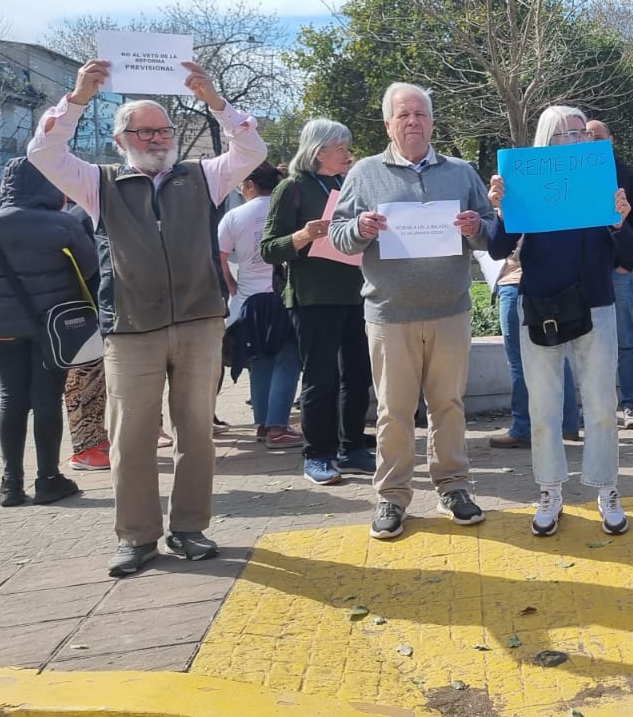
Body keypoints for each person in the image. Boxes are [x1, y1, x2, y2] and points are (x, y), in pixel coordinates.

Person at [27, 58, 267, 577]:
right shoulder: (97, 183)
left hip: (200, 323)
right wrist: (77, 99)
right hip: (132, 329)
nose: (158, 138)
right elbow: (43, 151)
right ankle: (136, 536)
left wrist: (216, 102)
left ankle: (189, 527)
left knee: (196, 431)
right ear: (122, 139)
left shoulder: (202, 176)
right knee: (131, 434)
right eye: (146, 130)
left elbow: (252, 149)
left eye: (163, 129)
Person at [329, 82, 494, 540]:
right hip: (389, 314)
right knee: (393, 411)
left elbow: (492, 233)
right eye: (404, 115)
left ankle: (454, 486)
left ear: (432, 121)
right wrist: (360, 228)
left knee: (448, 405)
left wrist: (478, 225)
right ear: (388, 124)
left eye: (420, 114)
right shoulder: (363, 173)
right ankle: (392, 496)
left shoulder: (460, 173)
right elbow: (339, 236)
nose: (413, 122)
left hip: (450, 311)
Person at [487, 105, 633, 538]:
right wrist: (500, 209)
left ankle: (606, 487)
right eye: (566, 133)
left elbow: (629, 253)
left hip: (596, 304)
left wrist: (618, 222)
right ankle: (550, 490)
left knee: (602, 406)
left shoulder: (603, 184)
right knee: (545, 408)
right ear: (546, 140)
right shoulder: (526, 181)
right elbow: (499, 248)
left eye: (582, 133)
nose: (577, 140)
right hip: (542, 307)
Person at [0, 157, 98, 506]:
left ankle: (10, 484)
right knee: (45, 400)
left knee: (11, 398)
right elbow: (88, 269)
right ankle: (48, 480)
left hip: (1, 326)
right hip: (52, 328)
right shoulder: (63, 225)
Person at [261, 118, 375, 486]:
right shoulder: (292, 188)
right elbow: (268, 248)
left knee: (358, 375)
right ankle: (317, 454)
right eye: (341, 147)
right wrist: (304, 235)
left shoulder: (351, 184)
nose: (348, 154)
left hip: (357, 293)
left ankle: (352, 446)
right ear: (317, 151)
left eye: (347, 147)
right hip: (313, 299)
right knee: (320, 378)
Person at [218, 161, 303, 449]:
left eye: (242, 185)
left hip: (250, 300)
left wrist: (232, 286)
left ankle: (264, 424)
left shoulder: (233, 216)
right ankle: (279, 427)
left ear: (251, 184)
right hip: (284, 295)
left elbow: (219, 258)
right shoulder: (289, 207)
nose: (241, 190)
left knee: (260, 361)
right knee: (288, 359)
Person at [585, 119, 633, 430]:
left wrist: (627, 261)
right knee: (587, 342)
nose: (591, 141)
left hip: (619, 270)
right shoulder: (574, 176)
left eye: (597, 137)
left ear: (611, 140)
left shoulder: (629, 176)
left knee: (626, 339)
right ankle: (595, 407)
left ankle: (630, 405)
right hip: (584, 273)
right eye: (585, 136)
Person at [488, 245, 583, 448]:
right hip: (542, 285)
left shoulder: (514, 212)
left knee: (520, 359)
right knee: (555, 353)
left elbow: (512, 247)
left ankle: (523, 428)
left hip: (517, 283)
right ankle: (568, 423)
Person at [62, 203, 108, 472]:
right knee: (85, 384)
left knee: (89, 385)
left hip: (72, 314)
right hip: (82, 314)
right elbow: (92, 268)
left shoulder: (75, 216)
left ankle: (93, 442)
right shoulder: (76, 219)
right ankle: (86, 449)